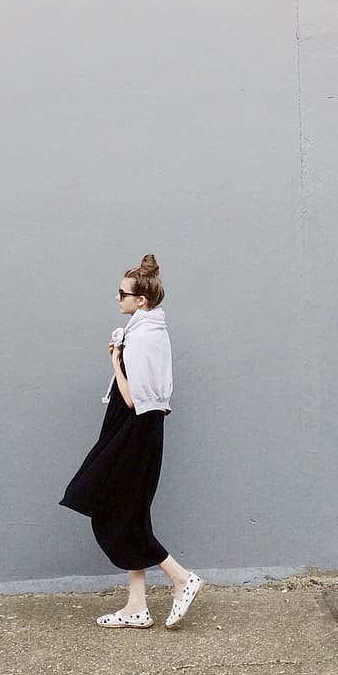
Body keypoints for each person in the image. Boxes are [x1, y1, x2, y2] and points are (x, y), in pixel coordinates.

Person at [60, 254, 203, 629]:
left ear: (141, 300)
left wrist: (115, 360)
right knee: (128, 510)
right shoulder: (147, 331)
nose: (117, 298)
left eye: (123, 294)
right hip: (134, 431)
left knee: (116, 510)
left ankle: (180, 577)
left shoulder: (142, 338)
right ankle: (136, 606)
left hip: (135, 432)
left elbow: (133, 399)